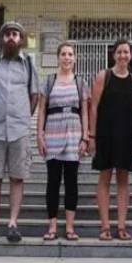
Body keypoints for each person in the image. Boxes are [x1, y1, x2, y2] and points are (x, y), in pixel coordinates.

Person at [0, 21, 39, 243]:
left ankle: (13, 223)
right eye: (7, 35)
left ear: (21, 39)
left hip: (19, 130)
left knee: (17, 178)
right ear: (2, 39)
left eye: (15, 34)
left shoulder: (29, 64)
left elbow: (34, 95)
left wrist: (23, 116)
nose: (11, 38)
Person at [89, 39, 132, 241]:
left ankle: (121, 226)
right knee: (104, 179)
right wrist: (92, 135)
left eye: (126, 52)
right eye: (119, 52)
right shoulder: (104, 76)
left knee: (123, 181)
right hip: (105, 134)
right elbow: (94, 106)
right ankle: (105, 227)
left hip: (126, 135)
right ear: (113, 55)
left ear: (131, 55)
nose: (122, 55)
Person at [36, 42, 89, 241]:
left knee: (71, 182)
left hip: (74, 135)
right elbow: (42, 110)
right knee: (53, 182)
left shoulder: (80, 82)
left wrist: (85, 137)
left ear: (75, 58)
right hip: (52, 135)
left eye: (70, 54)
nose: (67, 58)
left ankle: (69, 227)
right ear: (58, 57)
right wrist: (39, 135)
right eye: (64, 54)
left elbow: (85, 111)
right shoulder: (49, 81)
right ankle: (52, 227)